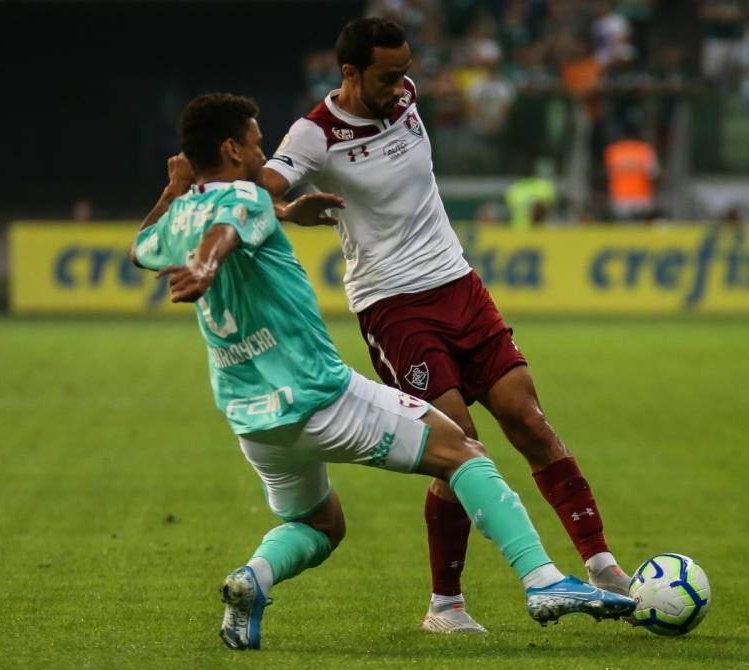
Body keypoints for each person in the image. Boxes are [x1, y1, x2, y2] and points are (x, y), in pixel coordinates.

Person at [131, 93, 634, 651]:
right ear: (231, 148)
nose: (260, 152)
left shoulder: (181, 214)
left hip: (252, 420)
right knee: (465, 452)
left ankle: (253, 580)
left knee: (321, 526)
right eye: (253, 141)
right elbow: (227, 227)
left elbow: (141, 249)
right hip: (319, 397)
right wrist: (206, 263)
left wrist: (175, 194)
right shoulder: (244, 197)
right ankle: (543, 582)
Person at [259, 18, 633, 633]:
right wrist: (288, 210)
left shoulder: (406, 96)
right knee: (458, 443)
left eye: (405, 69)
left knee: (529, 420)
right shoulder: (313, 134)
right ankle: (446, 605)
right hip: (393, 304)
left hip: (459, 282)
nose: (400, 84)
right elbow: (262, 189)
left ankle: (601, 565)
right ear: (349, 73)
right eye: (385, 74)